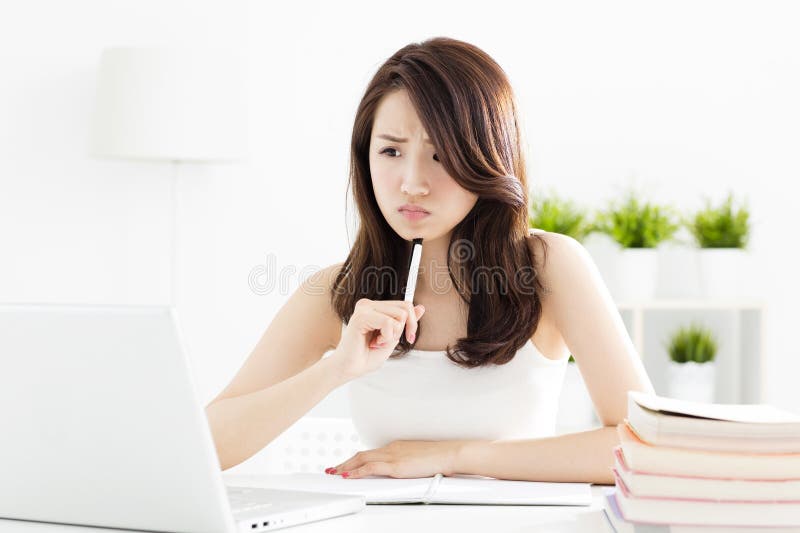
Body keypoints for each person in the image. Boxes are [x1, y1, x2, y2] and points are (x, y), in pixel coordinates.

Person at [205, 36, 654, 484]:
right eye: (390, 151)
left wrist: (451, 456)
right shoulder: (336, 292)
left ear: (485, 157)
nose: (412, 183)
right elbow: (206, 446)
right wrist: (337, 368)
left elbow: (645, 447)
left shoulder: (548, 267)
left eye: (440, 154)